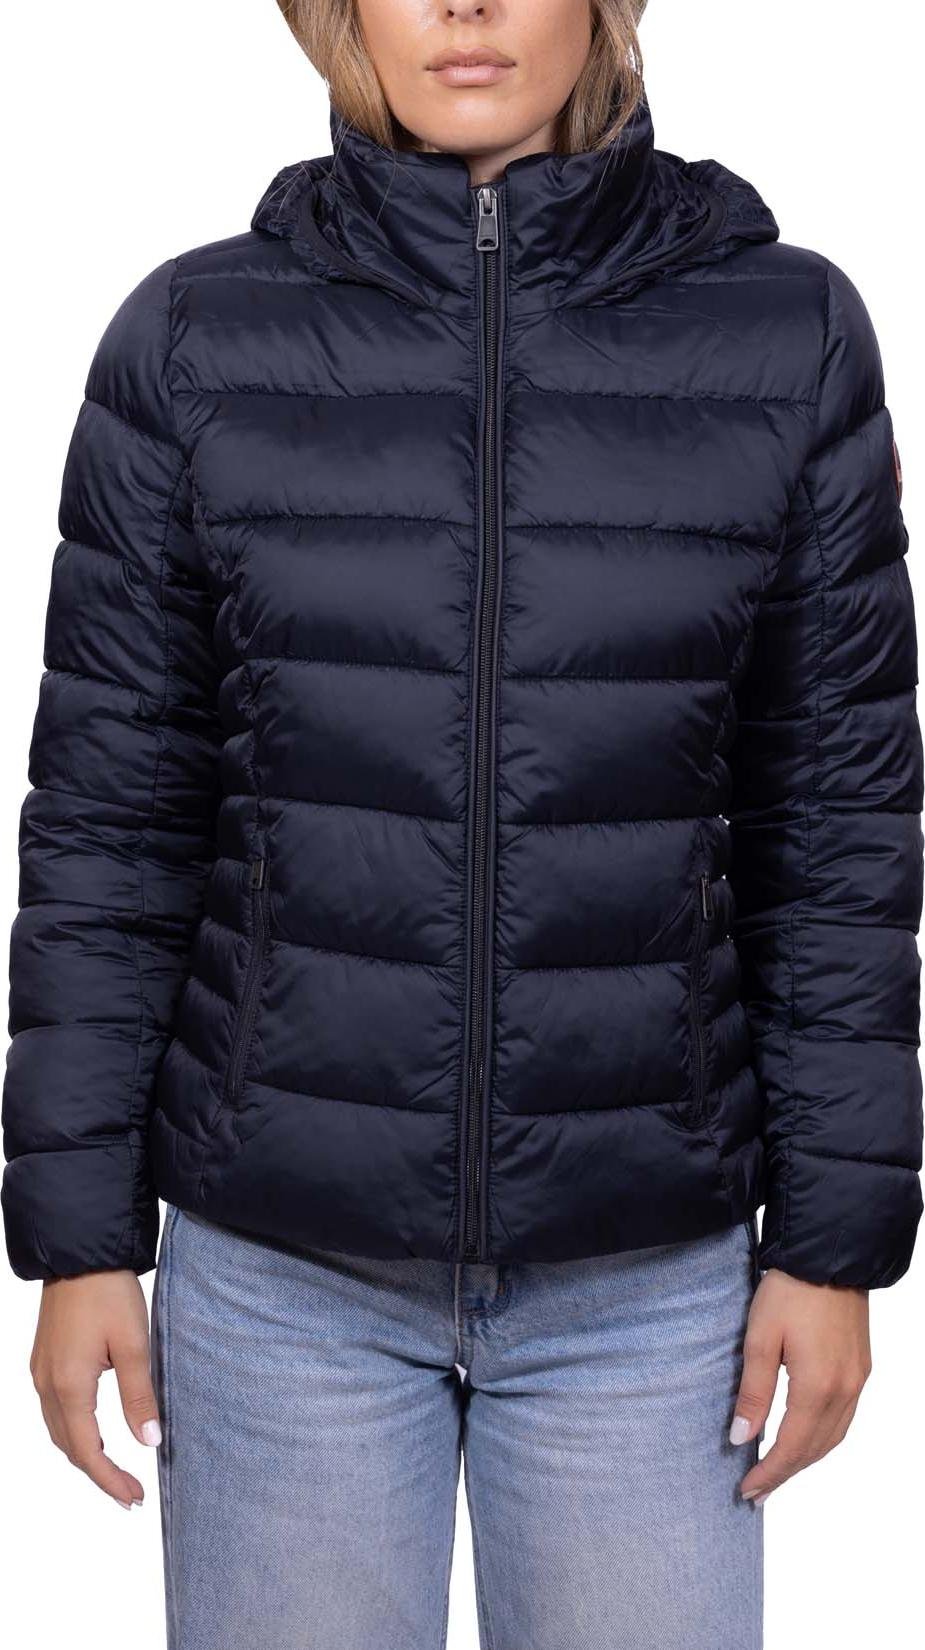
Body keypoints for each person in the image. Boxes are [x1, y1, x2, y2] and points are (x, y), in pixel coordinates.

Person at [3, 3, 921, 1647]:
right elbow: (109, 825)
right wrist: (78, 1242)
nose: (466, 5)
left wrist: (833, 1246)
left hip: (649, 1287)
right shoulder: (195, 341)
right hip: (276, 1277)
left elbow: (835, 822)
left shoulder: (784, 338)